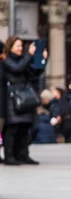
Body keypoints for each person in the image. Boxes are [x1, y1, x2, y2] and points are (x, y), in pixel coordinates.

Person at [3, 36, 47, 165]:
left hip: (25, 97)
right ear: (10, 47)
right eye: (17, 46)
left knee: (24, 128)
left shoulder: (24, 59)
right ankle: (9, 156)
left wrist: (43, 59)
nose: (20, 48)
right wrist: (29, 55)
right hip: (14, 98)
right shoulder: (7, 60)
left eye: (21, 46)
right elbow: (17, 68)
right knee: (13, 129)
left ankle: (23, 155)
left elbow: (34, 73)